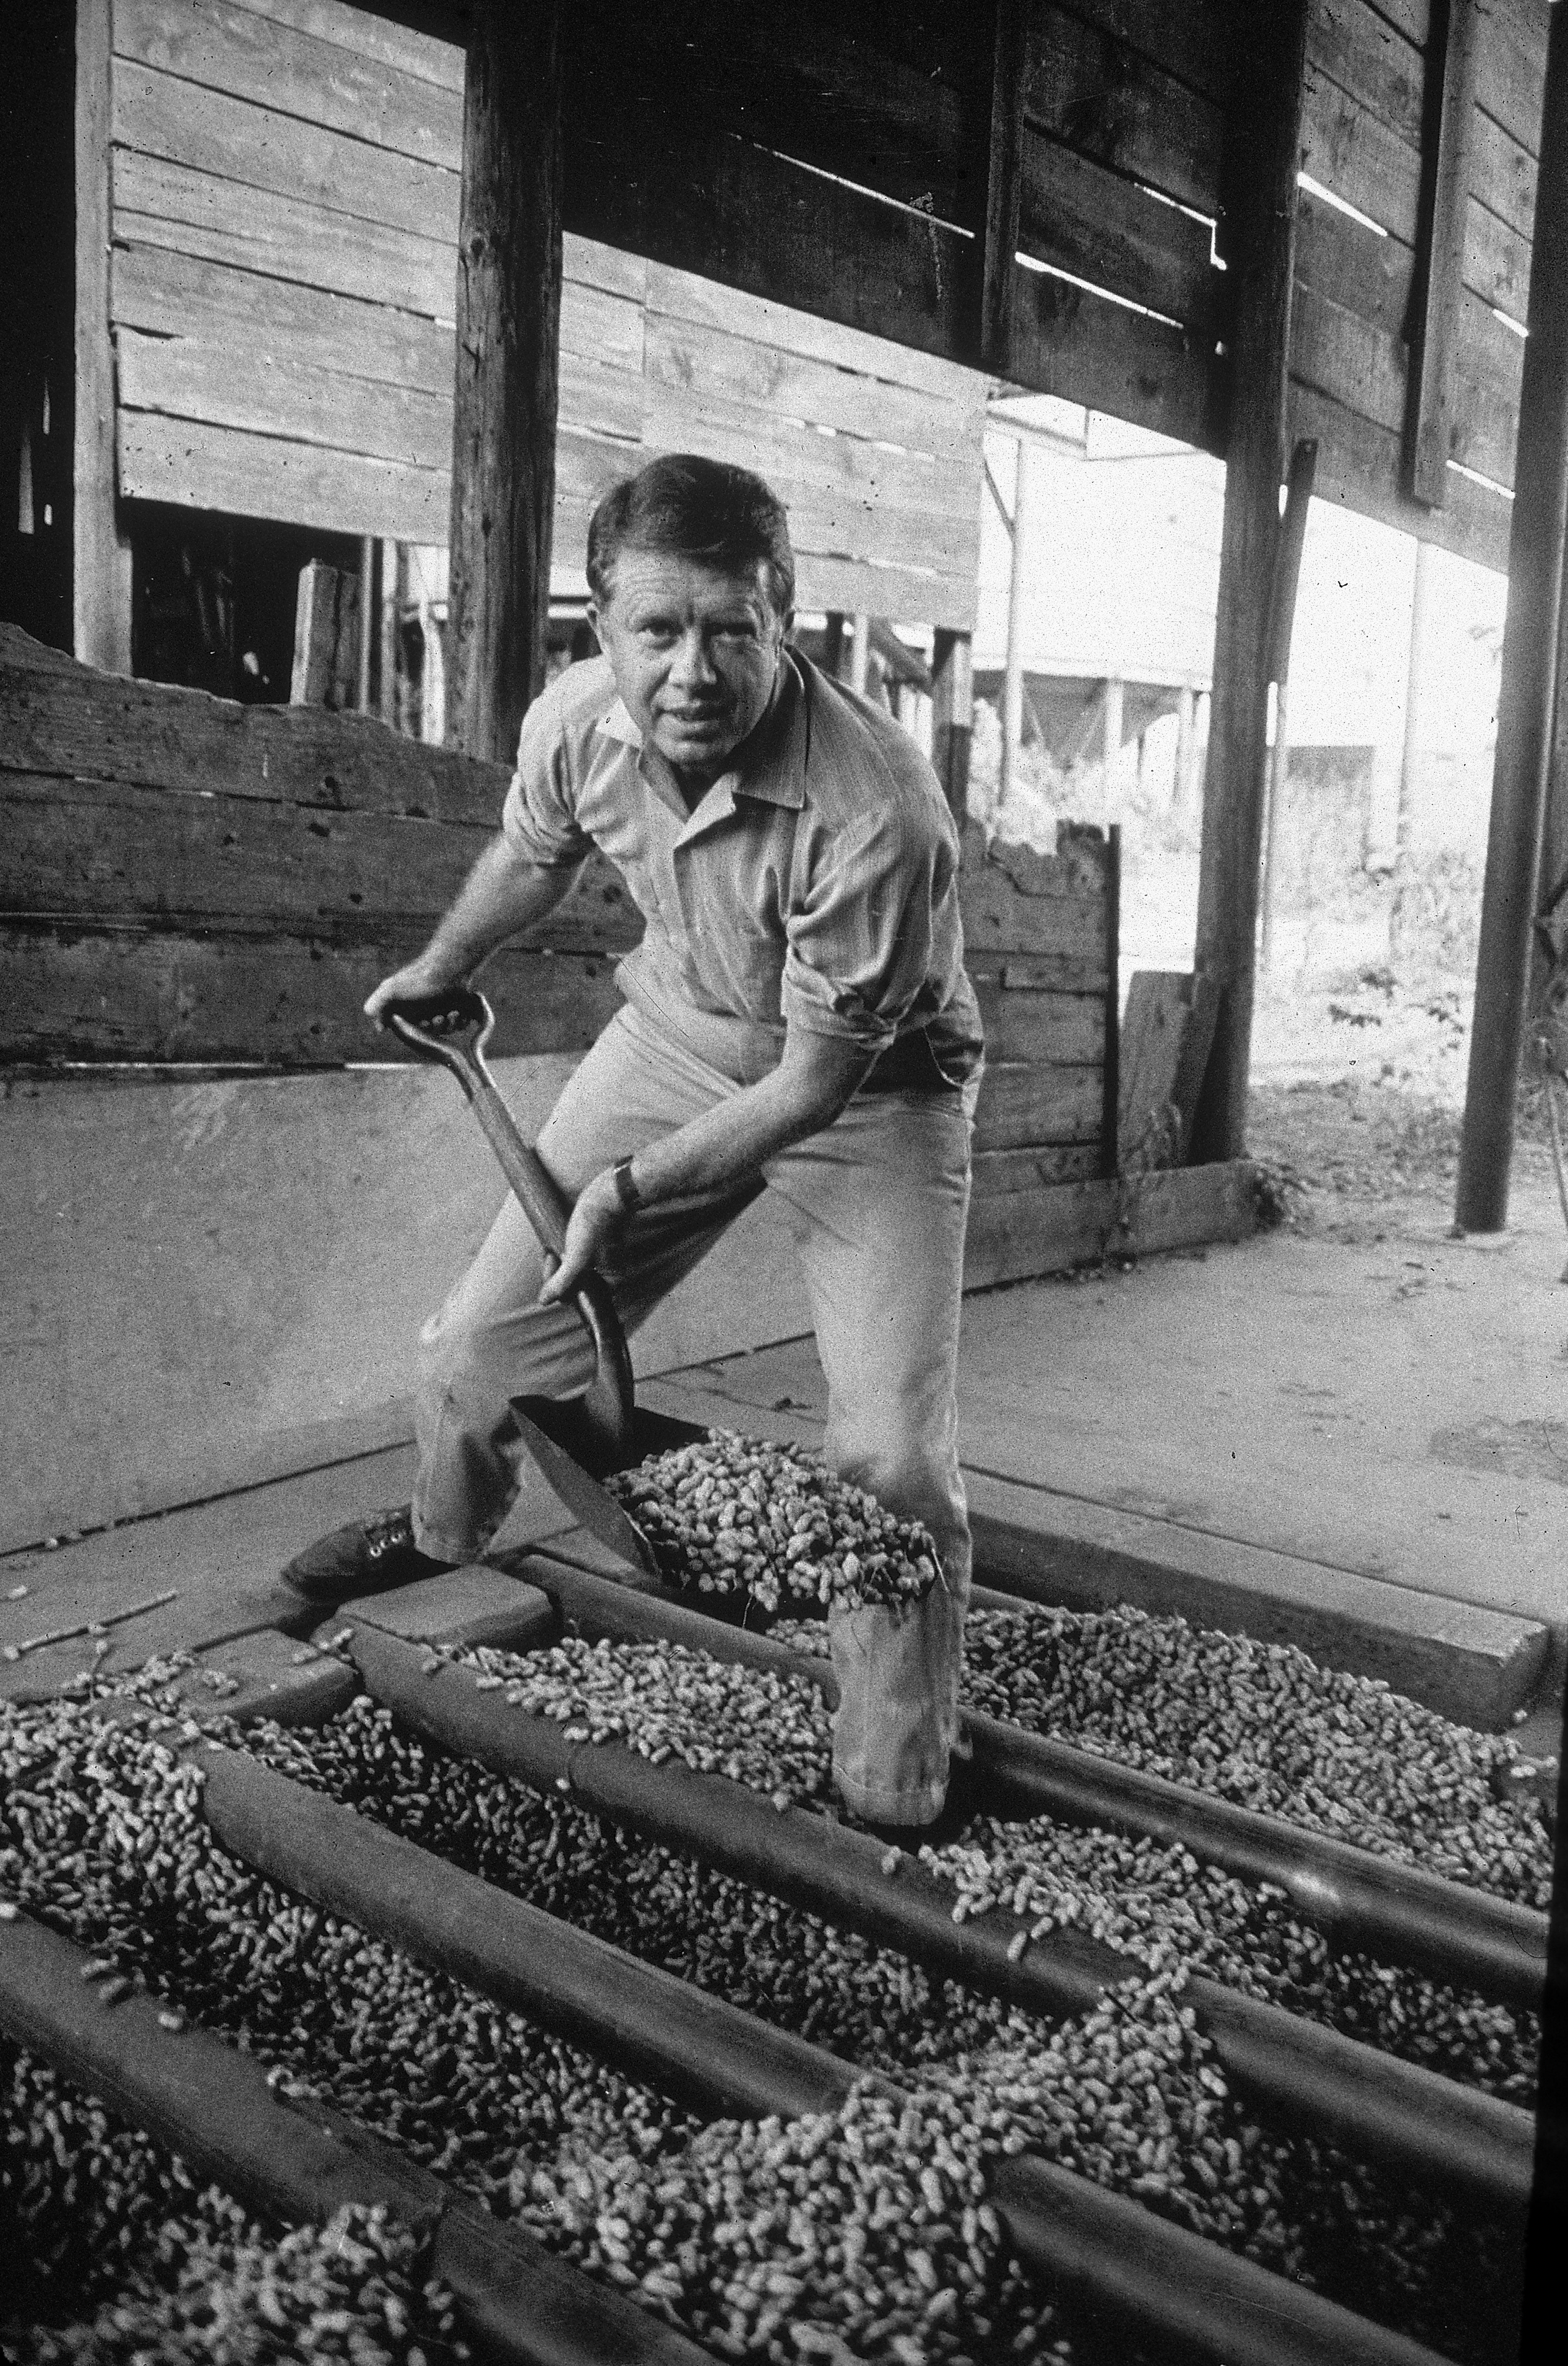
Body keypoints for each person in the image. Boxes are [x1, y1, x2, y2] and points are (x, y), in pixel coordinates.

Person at [284, 455, 984, 1827]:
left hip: (869, 1091)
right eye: (657, 630)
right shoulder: (577, 721)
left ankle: (895, 1758)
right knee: (479, 1351)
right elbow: (536, 853)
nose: (694, 670)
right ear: (599, 628)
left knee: (890, 1461)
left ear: (785, 616)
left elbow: (806, 1091)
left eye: (731, 626)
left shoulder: (878, 815)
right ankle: (436, 1539)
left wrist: (622, 1190)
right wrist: (445, 962)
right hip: (676, 1037)